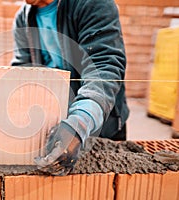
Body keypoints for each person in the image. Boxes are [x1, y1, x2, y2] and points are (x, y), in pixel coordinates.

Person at [11, 0, 129, 175]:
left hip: (99, 124)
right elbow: (23, 71)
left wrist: (79, 123)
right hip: (54, 129)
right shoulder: (23, 18)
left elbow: (104, 67)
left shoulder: (92, 3)